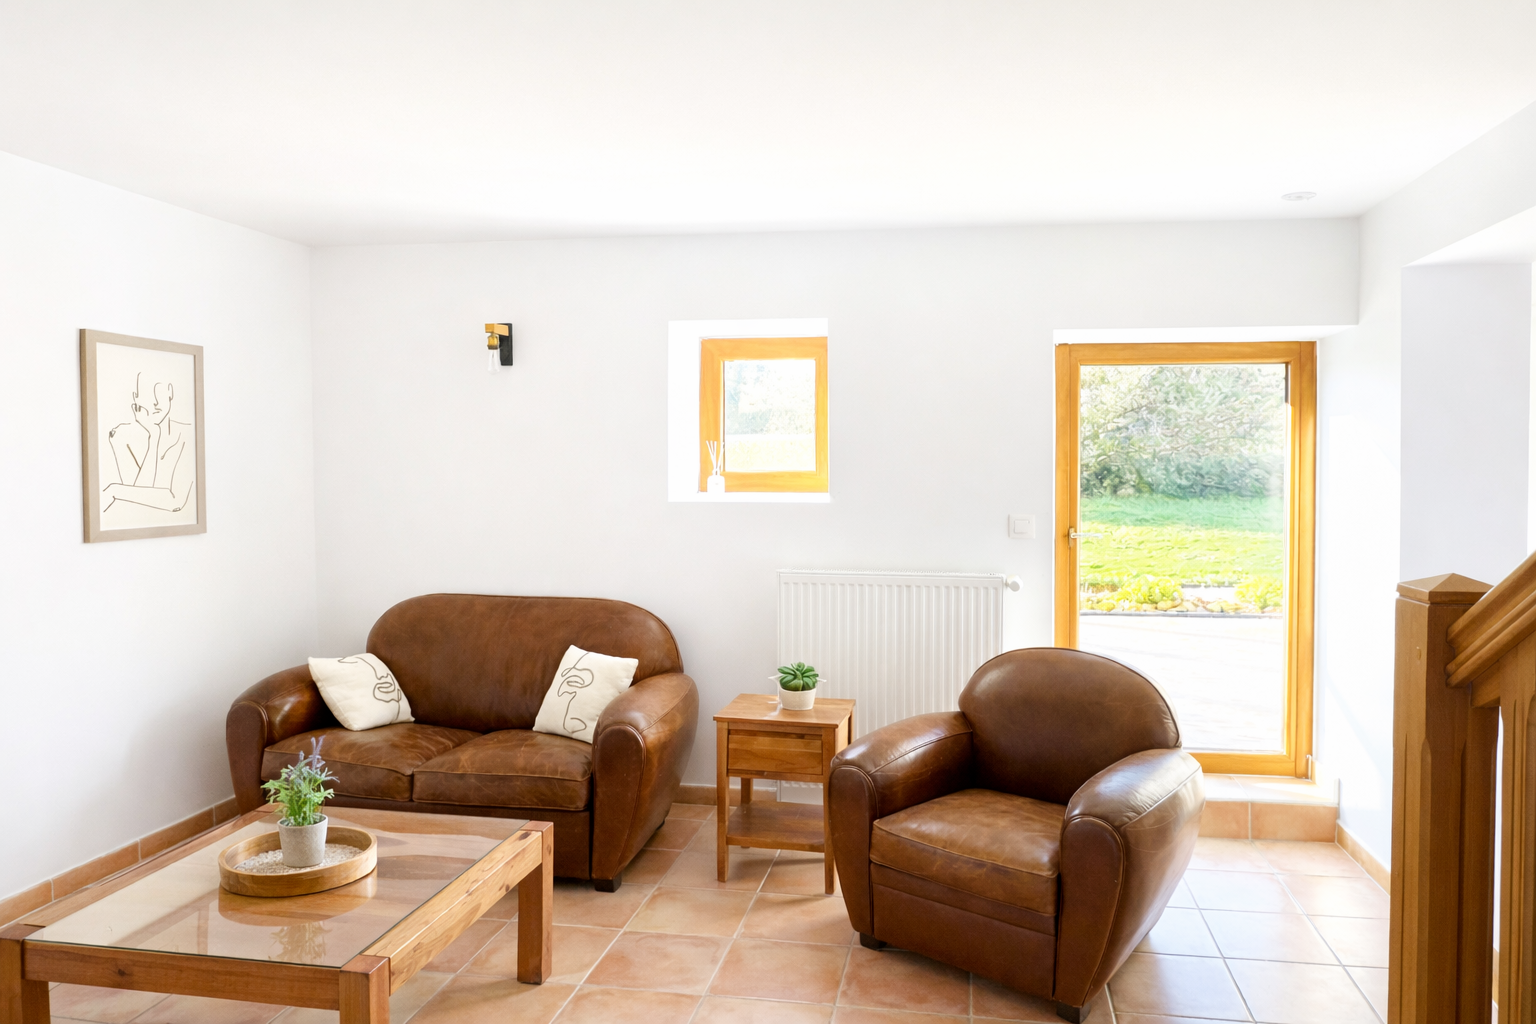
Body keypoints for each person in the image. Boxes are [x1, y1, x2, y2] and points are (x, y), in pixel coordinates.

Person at [104, 372, 194, 514]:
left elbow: (175, 502)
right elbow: (137, 499)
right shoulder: (122, 437)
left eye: (159, 390)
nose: (155, 401)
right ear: (136, 397)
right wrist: (154, 438)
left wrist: (114, 490)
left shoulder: (189, 434)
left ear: (170, 391)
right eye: (147, 391)